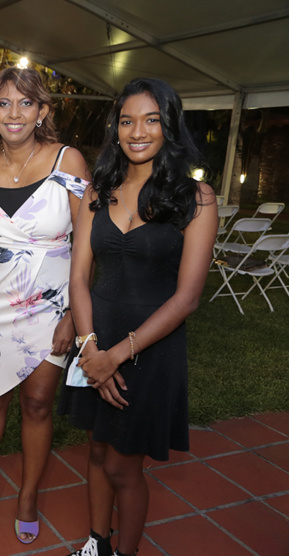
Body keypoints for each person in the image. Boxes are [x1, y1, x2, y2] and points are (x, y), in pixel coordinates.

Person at [60, 78, 218, 556]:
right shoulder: (98, 191)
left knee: (124, 467)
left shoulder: (198, 198)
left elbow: (187, 298)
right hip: (96, 339)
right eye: (127, 121)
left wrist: (117, 356)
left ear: (169, 126)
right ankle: (97, 543)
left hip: (150, 348)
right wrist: (90, 349)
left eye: (151, 120)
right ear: (116, 128)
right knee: (96, 452)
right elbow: (79, 279)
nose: (138, 131)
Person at [0, 67, 90, 543]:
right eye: (4, 104)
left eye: (25, 103)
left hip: (51, 306)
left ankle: (29, 495)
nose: (14, 113)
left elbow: (86, 244)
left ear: (43, 111)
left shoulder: (68, 162)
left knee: (37, 404)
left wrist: (75, 314)